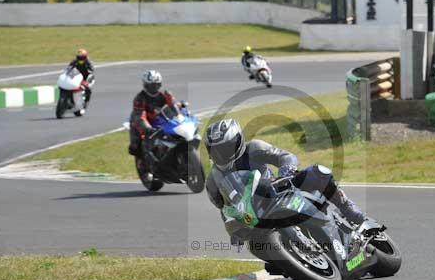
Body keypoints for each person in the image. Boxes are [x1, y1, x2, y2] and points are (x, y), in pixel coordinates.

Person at [204, 119, 367, 225]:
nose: (221, 154)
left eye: (225, 148)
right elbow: (223, 207)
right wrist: (233, 223)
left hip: (278, 190)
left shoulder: (254, 148)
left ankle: (346, 206)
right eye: (216, 151)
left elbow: (286, 157)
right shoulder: (213, 180)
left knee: (316, 172)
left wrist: (286, 171)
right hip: (255, 214)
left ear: (238, 141)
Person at [128, 70, 187, 156]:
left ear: (160, 84)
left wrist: (180, 115)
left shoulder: (165, 94)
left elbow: (172, 105)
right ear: (145, 85)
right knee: (135, 147)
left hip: (160, 119)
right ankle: (141, 159)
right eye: (151, 85)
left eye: (156, 84)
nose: (154, 87)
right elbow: (139, 116)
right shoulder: (140, 98)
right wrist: (148, 128)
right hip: (145, 121)